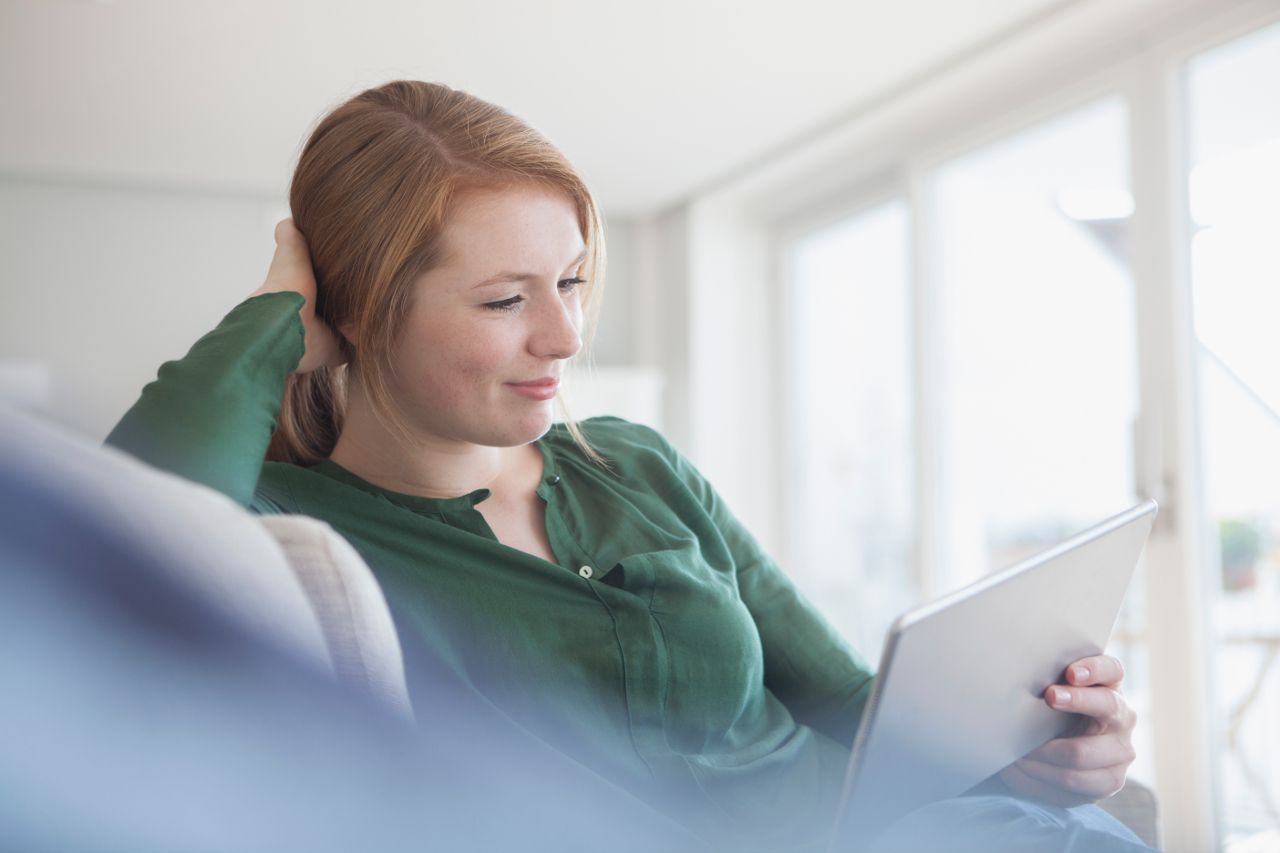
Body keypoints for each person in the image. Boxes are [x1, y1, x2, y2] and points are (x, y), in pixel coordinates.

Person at [107, 80, 1152, 852]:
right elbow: (117, 546)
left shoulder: (635, 467)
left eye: (568, 281)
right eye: (504, 299)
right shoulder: (286, 529)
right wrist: (278, 314)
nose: (564, 338)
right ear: (355, 310)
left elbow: (844, 704)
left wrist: (1025, 750)